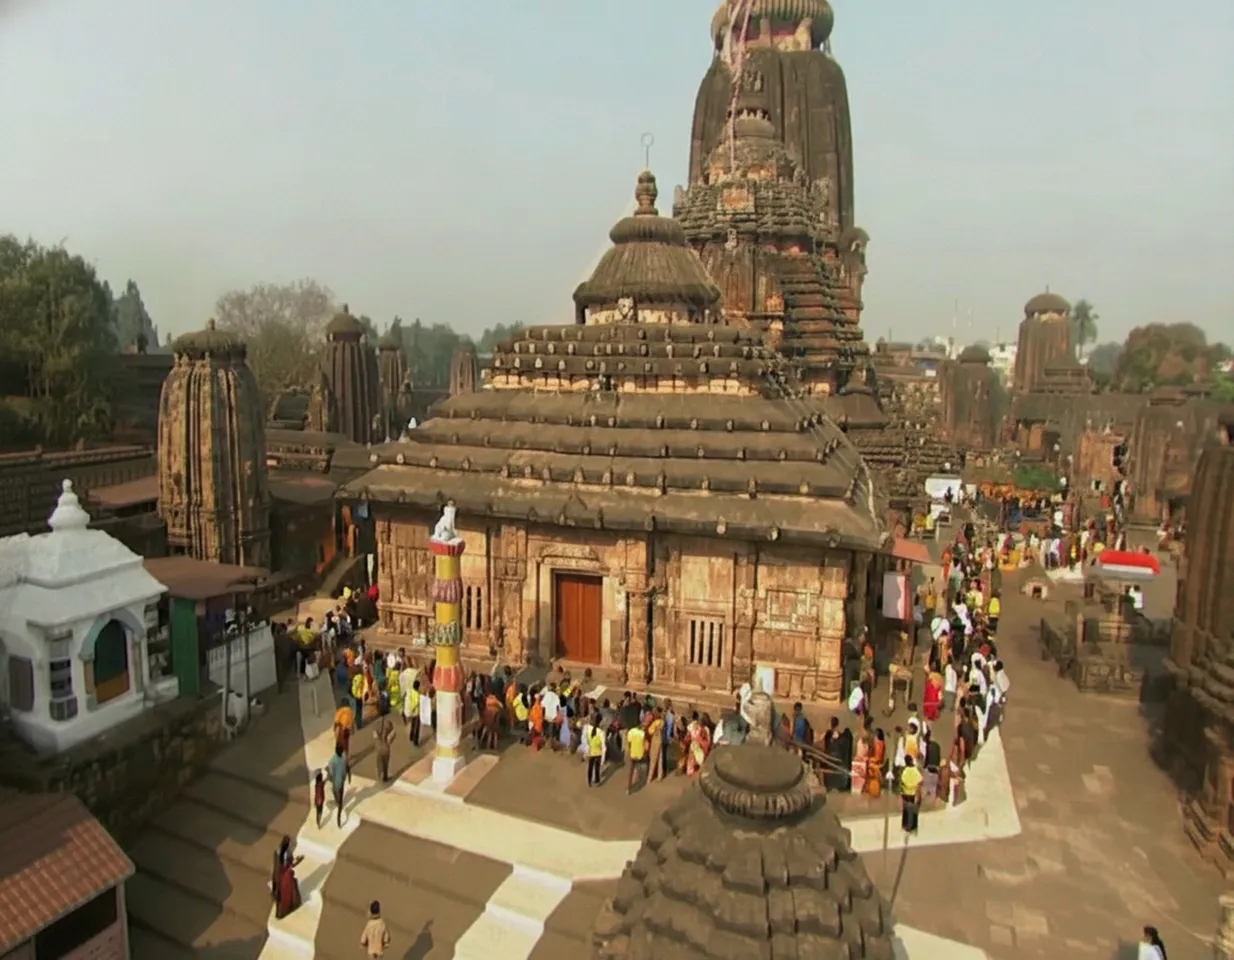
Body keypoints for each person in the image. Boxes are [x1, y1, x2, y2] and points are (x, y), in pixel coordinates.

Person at [899, 755, 923, 834]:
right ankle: (913, 826)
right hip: (913, 794)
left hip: (906, 794)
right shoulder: (915, 770)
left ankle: (905, 825)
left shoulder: (905, 771)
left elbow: (902, 781)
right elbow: (920, 780)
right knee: (913, 811)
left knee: (906, 811)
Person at [326, 744, 348, 828]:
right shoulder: (342, 760)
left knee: (334, 791)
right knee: (339, 799)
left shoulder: (333, 760)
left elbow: (330, 770)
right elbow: (344, 770)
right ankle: (339, 817)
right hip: (340, 781)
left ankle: (337, 801)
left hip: (336, 781)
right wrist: (344, 777)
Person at [626, 719, 648, 794]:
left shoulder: (631, 731)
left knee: (631, 771)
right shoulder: (642, 733)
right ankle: (640, 781)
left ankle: (628, 788)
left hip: (633, 753)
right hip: (640, 754)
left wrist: (629, 751)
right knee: (641, 768)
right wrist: (645, 754)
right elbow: (645, 745)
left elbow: (629, 743)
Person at [584, 713, 605, 787]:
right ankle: (597, 780)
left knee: (590, 767)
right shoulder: (601, 732)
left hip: (591, 751)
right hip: (598, 752)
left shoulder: (588, 730)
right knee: (597, 767)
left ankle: (589, 781)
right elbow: (603, 747)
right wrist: (603, 759)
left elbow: (587, 741)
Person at [372, 712, 395, 783]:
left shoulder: (376, 724)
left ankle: (380, 774)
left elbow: (375, 736)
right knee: (386, 763)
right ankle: (385, 776)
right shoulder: (389, 723)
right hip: (386, 746)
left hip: (379, 746)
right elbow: (393, 734)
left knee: (379, 761)